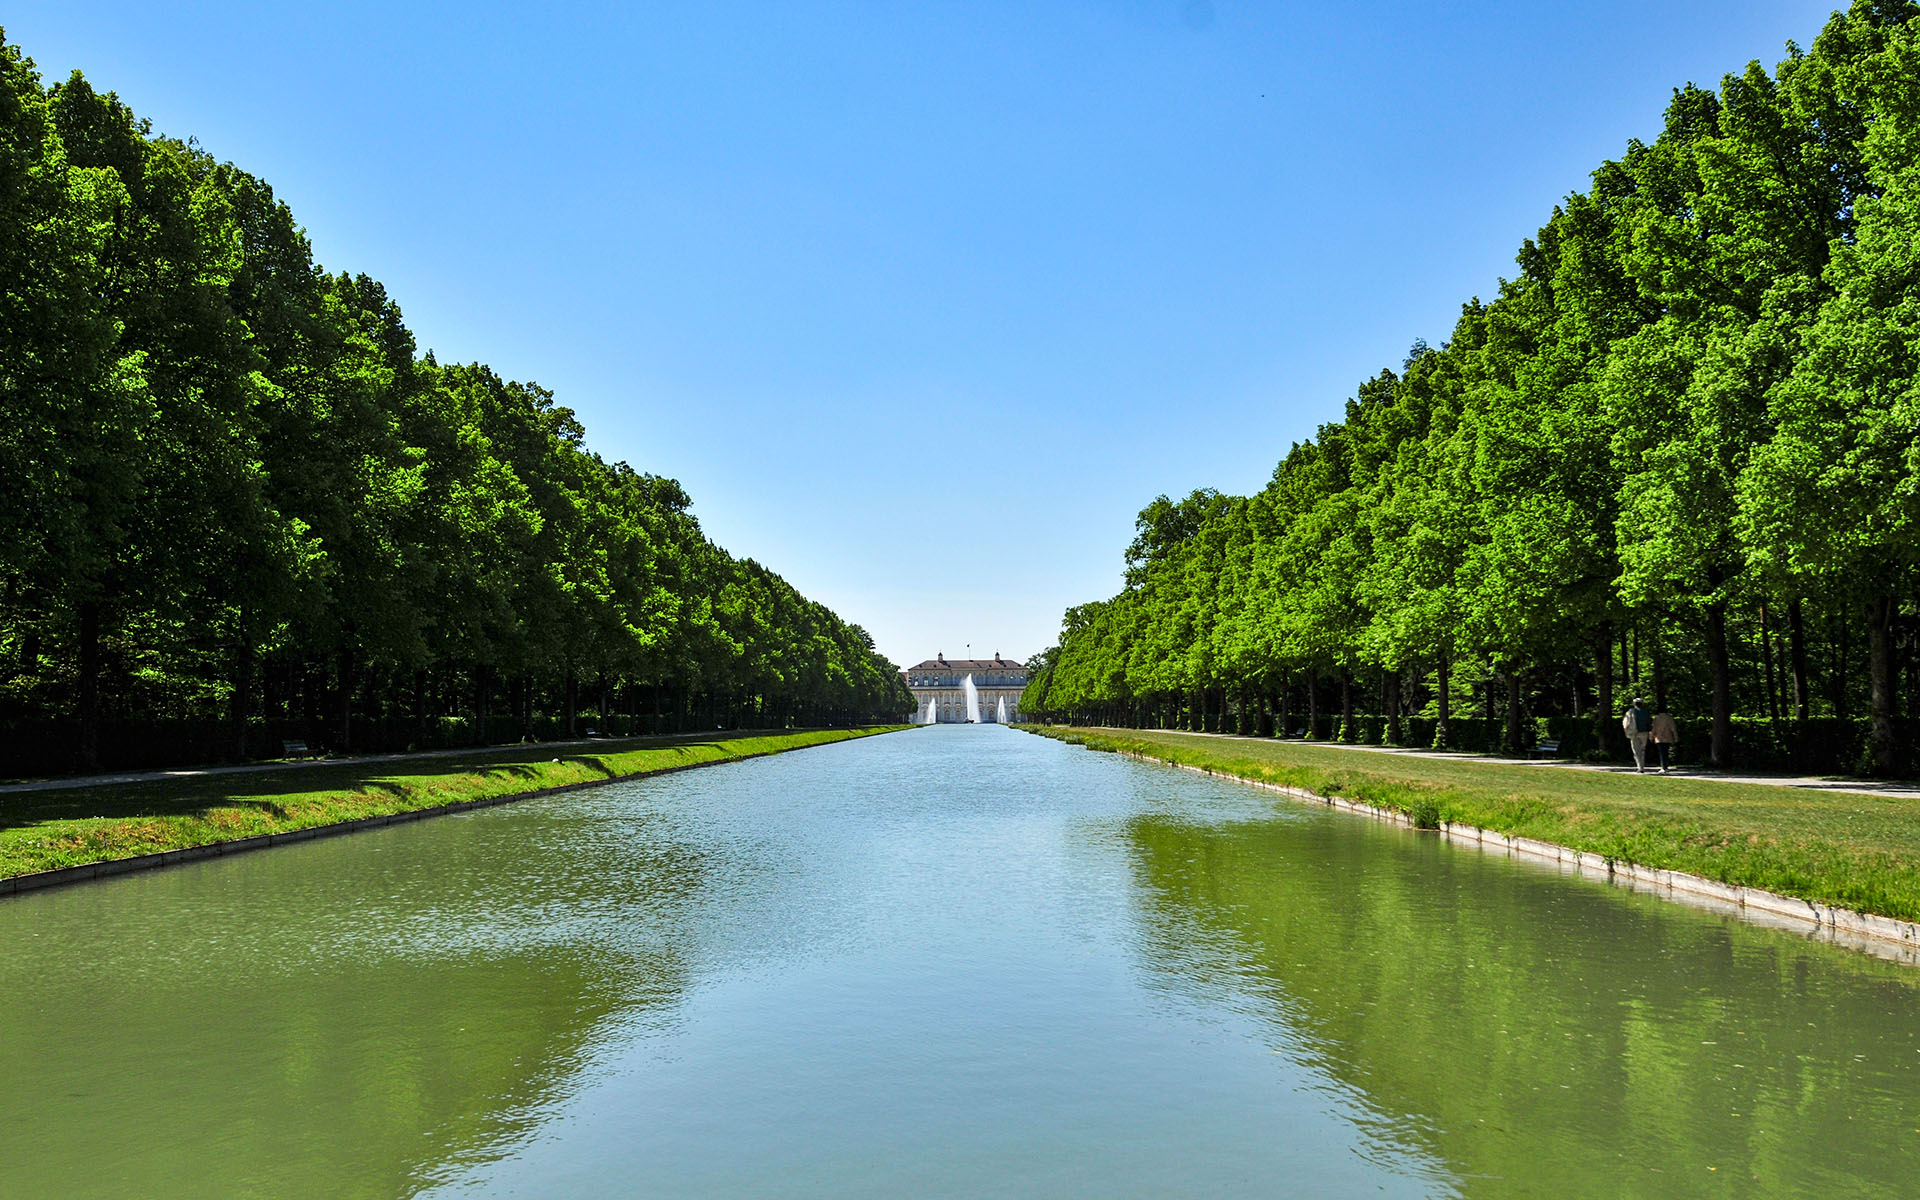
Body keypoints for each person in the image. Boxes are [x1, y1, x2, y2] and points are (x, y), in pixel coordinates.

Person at [1621, 697, 1652, 773]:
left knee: (1636, 751)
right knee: (1642, 750)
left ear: (1634, 703)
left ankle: (1640, 767)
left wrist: (1626, 731)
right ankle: (1642, 766)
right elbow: (1649, 722)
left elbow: (1626, 723)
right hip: (1644, 733)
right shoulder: (1646, 712)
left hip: (1634, 733)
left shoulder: (1631, 712)